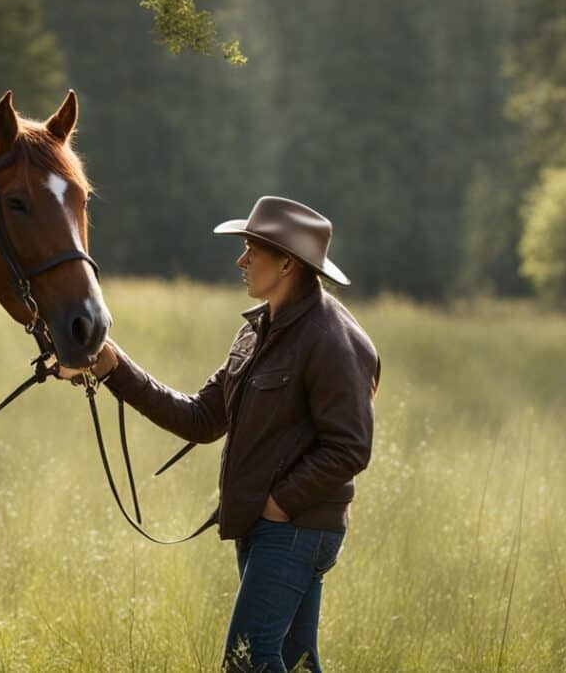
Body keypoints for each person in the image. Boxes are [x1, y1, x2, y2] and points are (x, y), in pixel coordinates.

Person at [62, 196, 380, 672]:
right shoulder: (257, 331)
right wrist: (113, 366)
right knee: (291, 661)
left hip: (295, 528)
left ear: (287, 262)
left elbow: (350, 448)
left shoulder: (332, 340)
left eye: (252, 249)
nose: (241, 260)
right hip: (266, 526)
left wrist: (279, 504)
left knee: (247, 663)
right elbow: (199, 418)